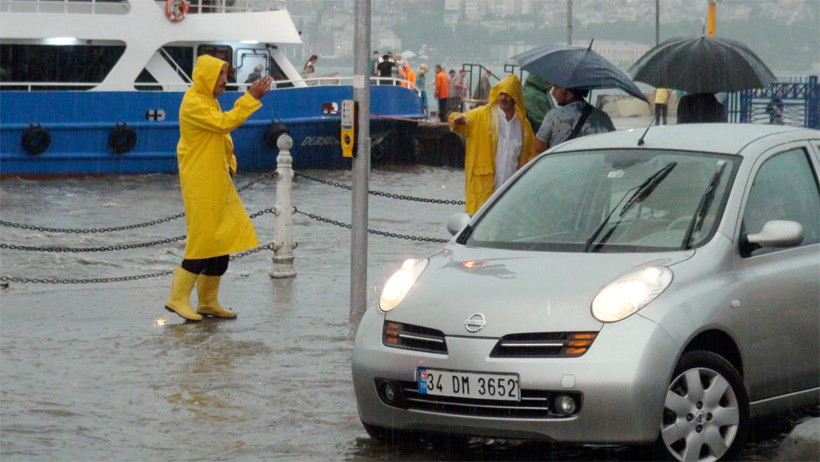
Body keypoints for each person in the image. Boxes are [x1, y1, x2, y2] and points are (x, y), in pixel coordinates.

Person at [164, 54, 273, 321]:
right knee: (203, 243)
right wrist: (251, 98)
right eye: (220, 77)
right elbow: (225, 124)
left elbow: (221, 137)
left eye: (225, 76)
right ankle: (177, 299)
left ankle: (208, 301)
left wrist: (230, 165)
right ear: (206, 78)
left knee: (221, 242)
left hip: (217, 181)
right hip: (201, 184)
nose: (225, 82)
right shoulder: (193, 103)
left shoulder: (207, 101)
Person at [448, 74, 538, 214]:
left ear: (515, 97)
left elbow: (531, 155)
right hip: (484, 187)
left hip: (510, 192)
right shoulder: (482, 115)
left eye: (507, 95)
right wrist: (456, 121)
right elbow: (460, 121)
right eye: (501, 94)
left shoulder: (524, 126)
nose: (503, 98)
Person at [534, 85, 615, 153]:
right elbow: (612, 146)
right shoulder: (603, 117)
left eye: (556, 88)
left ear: (569, 94)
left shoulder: (553, 116)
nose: (552, 93)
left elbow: (539, 147)